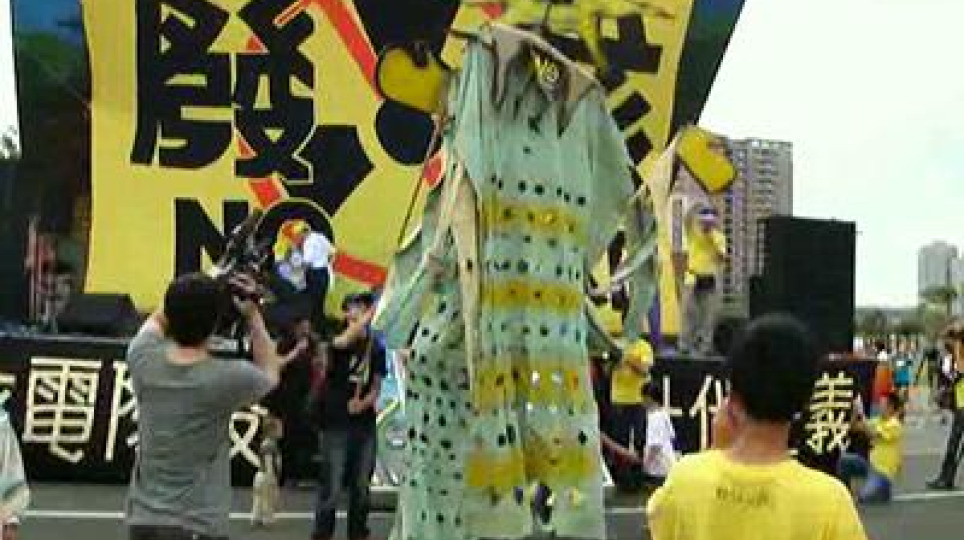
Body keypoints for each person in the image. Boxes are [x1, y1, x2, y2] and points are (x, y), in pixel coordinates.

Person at [648, 313, 867, 540]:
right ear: (805, 401)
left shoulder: (685, 479)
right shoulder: (831, 502)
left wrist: (714, 450)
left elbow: (659, 524)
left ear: (733, 397)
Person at [125, 272, 290, 540]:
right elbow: (271, 373)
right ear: (215, 323)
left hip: (144, 522)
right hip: (198, 524)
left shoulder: (142, 357)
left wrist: (212, 276)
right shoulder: (228, 376)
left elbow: (158, 319)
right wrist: (253, 314)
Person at [311, 292, 386, 540]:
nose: (358, 312)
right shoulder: (335, 335)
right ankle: (323, 533)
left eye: (363, 307)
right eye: (354, 307)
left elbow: (376, 386)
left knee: (361, 486)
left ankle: (358, 532)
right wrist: (366, 317)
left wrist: (363, 403)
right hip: (336, 422)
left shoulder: (375, 347)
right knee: (331, 486)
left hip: (364, 425)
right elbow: (342, 343)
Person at [839, 392, 904, 503]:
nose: (879, 407)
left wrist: (862, 416)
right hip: (869, 465)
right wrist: (855, 413)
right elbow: (853, 427)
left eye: (882, 404)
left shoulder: (895, 425)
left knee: (864, 497)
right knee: (842, 460)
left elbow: (873, 434)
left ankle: (883, 490)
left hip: (883, 472)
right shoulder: (877, 420)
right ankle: (846, 491)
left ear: (891, 407)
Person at [680, 205, 726, 355]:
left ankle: (705, 346)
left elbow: (722, 258)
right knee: (688, 312)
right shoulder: (694, 232)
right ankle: (685, 344)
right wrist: (697, 209)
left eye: (710, 219)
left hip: (708, 277)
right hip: (692, 276)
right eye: (705, 218)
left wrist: (712, 238)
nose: (707, 223)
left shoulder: (719, 237)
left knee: (708, 315)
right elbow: (687, 219)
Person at [927, 336, 964, 490]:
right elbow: (954, 376)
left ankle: (946, 478)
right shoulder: (955, 360)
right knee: (954, 445)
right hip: (961, 406)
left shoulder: (960, 360)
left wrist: (957, 347)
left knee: (954, 445)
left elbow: (960, 371)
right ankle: (946, 477)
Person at [609, 339, 653, 468]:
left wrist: (628, 359)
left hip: (639, 400)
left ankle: (639, 469)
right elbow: (607, 371)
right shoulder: (615, 344)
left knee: (640, 438)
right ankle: (619, 471)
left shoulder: (644, 347)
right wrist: (614, 361)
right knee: (619, 438)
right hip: (618, 400)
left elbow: (645, 370)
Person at [641, 381, 677, 485]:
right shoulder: (663, 414)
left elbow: (655, 446)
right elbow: (672, 436)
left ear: (648, 398)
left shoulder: (654, 418)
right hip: (668, 465)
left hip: (659, 471)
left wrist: (645, 465)